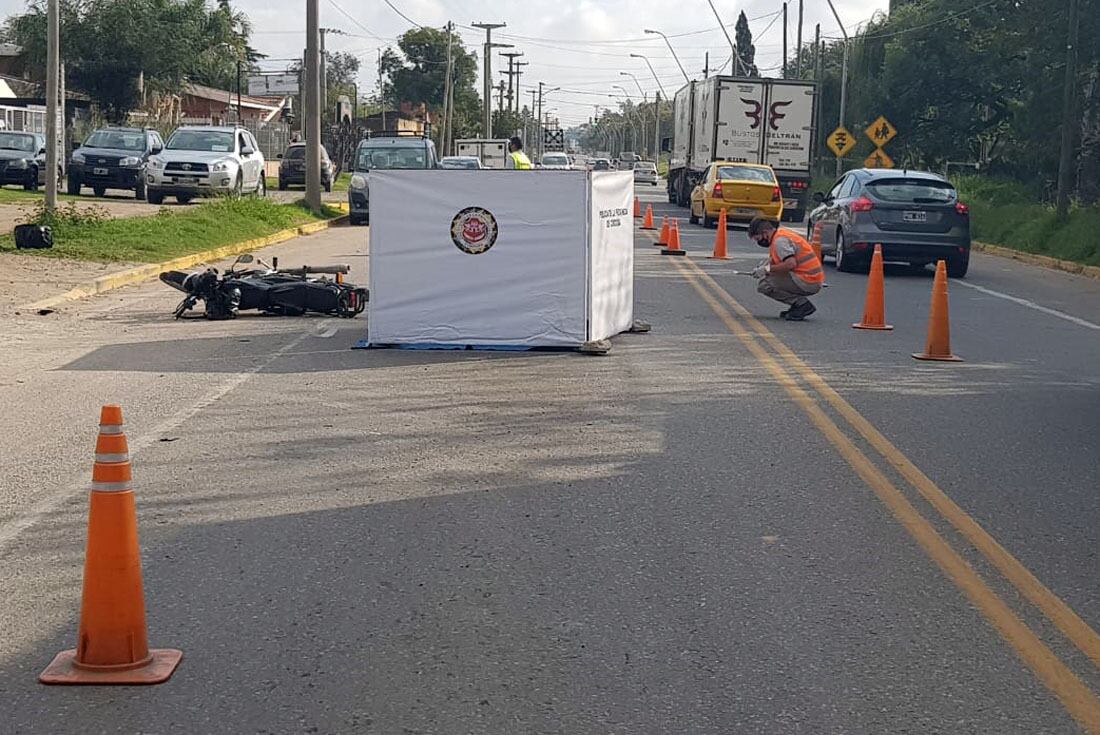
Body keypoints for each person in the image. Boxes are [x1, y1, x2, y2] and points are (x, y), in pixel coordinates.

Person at [747, 216, 824, 321]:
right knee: (769, 277)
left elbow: (790, 264)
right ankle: (798, 305)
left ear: (765, 233)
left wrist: (766, 269)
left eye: (758, 238)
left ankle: (802, 305)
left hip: (808, 281)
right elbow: (776, 261)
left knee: (765, 285)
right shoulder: (780, 235)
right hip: (810, 278)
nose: (759, 242)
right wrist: (764, 267)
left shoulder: (780, 242)